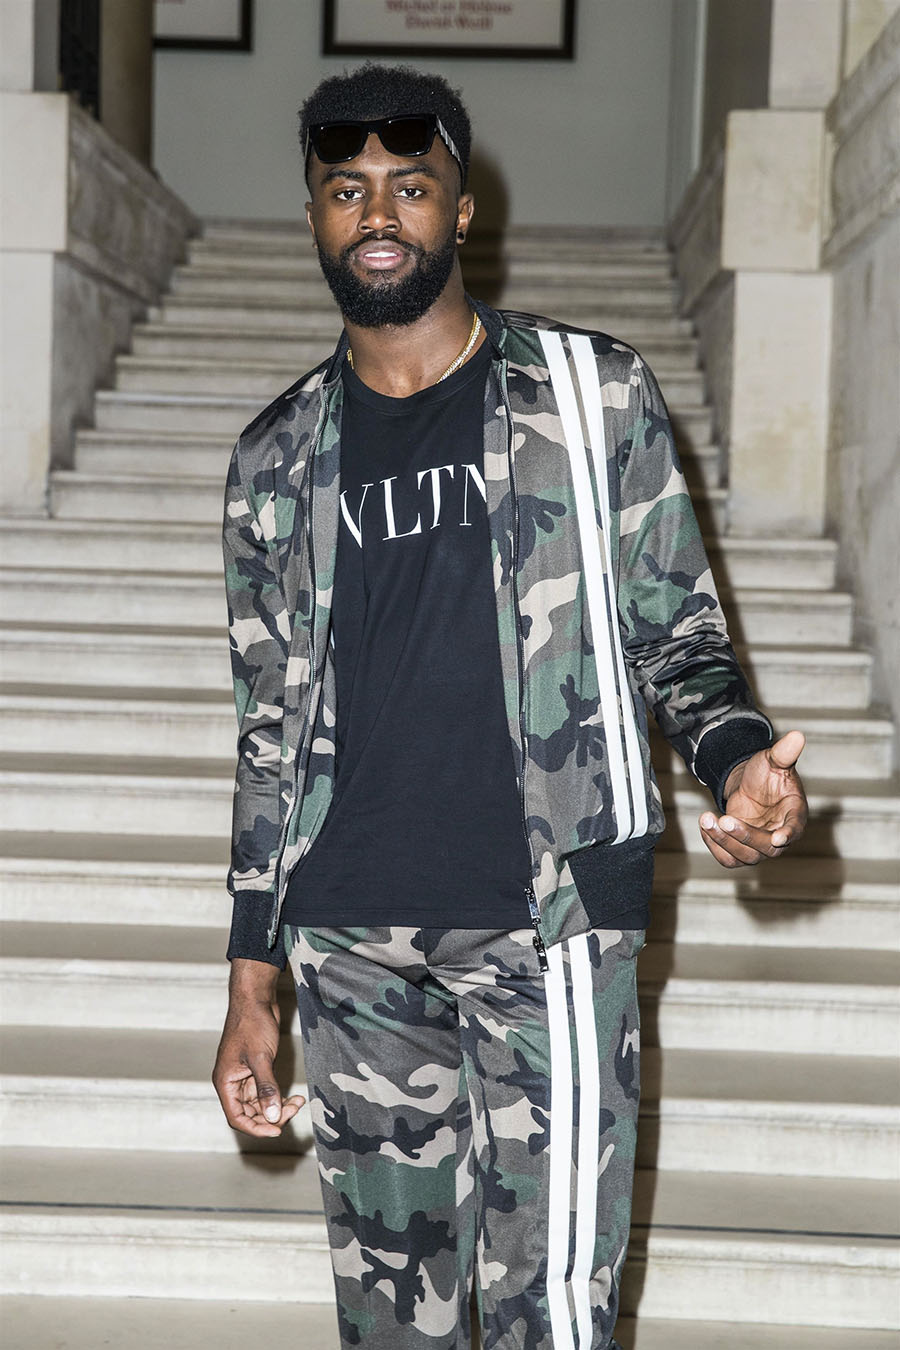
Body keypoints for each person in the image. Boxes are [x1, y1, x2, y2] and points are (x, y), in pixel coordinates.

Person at [212, 63, 808, 1350]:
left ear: (460, 210)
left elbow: (678, 634)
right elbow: (269, 735)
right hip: (351, 945)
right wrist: (251, 976)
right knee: (392, 1321)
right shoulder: (273, 460)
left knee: (554, 1318)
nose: (379, 212)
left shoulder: (590, 398)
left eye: (410, 186)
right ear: (316, 215)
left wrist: (737, 753)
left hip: (542, 925)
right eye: (347, 189)